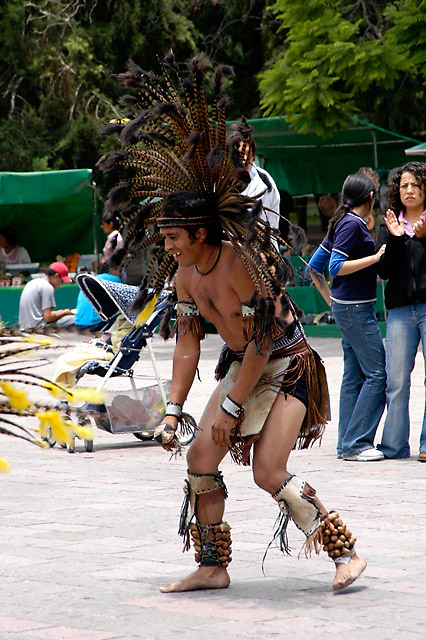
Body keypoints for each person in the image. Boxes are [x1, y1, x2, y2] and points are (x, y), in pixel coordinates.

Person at [96, 53, 367, 594]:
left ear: (200, 232)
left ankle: (346, 552)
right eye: (164, 237)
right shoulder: (185, 277)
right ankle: (214, 565)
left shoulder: (239, 266)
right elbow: (188, 349)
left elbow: (266, 341)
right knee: (199, 456)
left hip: (287, 365)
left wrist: (235, 407)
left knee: (268, 471)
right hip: (248, 365)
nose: (166, 246)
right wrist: (173, 411)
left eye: (174, 237)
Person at [308, 173, 386, 461]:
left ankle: (346, 444)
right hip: (355, 309)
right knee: (378, 373)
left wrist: (333, 302)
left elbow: (313, 267)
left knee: (354, 376)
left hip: (346, 308)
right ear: (371, 198)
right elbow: (336, 266)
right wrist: (376, 258)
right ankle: (357, 443)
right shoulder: (353, 224)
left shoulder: (341, 222)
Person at [375, 162, 426, 461]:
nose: (409, 190)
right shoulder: (390, 224)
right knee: (395, 379)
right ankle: (393, 446)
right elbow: (383, 270)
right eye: (404, 185)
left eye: (416, 185)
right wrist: (395, 238)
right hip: (400, 312)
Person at [227, 118, 280, 234]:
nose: (245, 159)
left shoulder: (262, 183)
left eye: (247, 153)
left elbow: (252, 225)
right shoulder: (222, 181)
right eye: (240, 155)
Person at [19, 262, 75, 331]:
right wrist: (64, 312)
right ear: (56, 276)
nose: (61, 284)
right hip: (38, 327)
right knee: (74, 319)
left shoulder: (33, 282)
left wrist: (61, 312)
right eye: (62, 281)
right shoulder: (47, 287)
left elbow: (41, 313)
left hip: (25, 327)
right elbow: (48, 317)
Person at [75, 265, 122, 332]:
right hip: (96, 325)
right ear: (114, 269)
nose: (121, 274)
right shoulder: (115, 279)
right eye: (120, 271)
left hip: (78, 324)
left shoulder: (90, 279)